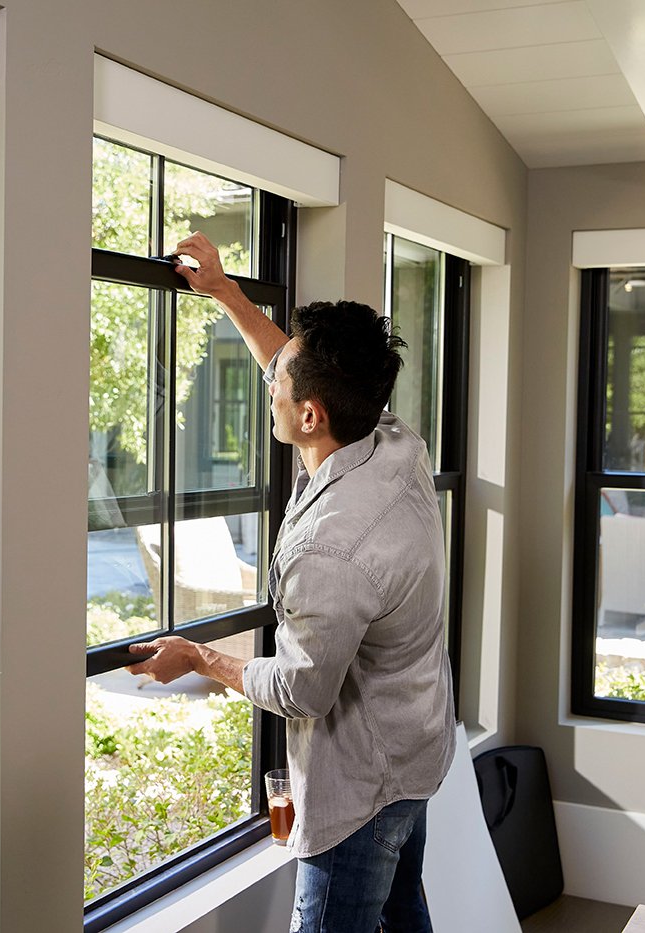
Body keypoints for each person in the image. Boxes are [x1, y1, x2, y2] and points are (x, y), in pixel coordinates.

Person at [126, 232, 456, 933]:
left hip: (365, 787)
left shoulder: (330, 548)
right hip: (418, 745)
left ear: (310, 416)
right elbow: (292, 362)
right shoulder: (394, 443)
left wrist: (201, 658)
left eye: (281, 382)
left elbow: (304, 688)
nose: (270, 379)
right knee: (403, 914)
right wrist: (225, 292)